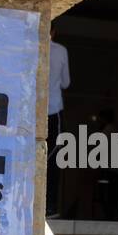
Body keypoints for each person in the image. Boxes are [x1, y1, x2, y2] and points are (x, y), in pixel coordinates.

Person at [47, 33, 71, 217]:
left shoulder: (29, 44)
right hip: (53, 109)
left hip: (31, 108)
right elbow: (66, 82)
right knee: (54, 156)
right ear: (54, 32)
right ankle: (50, 206)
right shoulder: (60, 51)